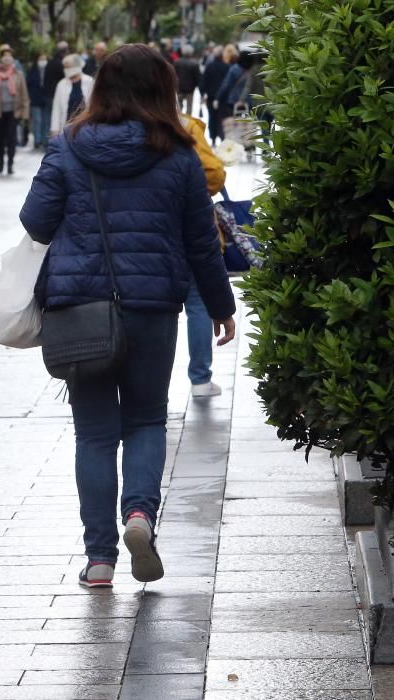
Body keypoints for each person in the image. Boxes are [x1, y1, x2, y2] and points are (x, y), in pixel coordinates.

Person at [19, 44, 236, 588]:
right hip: (151, 307)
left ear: (101, 89)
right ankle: (139, 514)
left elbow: (35, 220)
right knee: (144, 419)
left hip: (79, 310)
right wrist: (220, 304)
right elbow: (200, 243)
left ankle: (99, 558)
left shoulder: (68, 146)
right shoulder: (179, 153)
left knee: (93, 433)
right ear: (162, 90)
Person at [181, 113, 226, 397]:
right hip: (187, 225)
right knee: (197, 303)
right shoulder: (185, 126)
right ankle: (200, 378)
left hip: (139, 233)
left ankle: (148, 385)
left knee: (149, 309)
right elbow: (214, 173)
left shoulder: (105, 124)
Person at [0, 45, 30, 175]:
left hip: (14, 111)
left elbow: (24, 94)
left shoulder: (18, 74)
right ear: (1, 59)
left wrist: (25, 112)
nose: (7, 59)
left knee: (12, 138)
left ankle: (10, 163)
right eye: (5, 56)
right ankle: (0, 160)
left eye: (9, 56)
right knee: (0, 138)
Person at [49, 54, 93, 137]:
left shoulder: (90, 82)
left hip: (86, 128)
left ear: (76, 67)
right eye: (64, 67)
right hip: (66, 128)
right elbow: (56, 108)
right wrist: (54, 130)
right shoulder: (61, 84)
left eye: (68, 67)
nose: (65, 70)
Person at [199, 45, 234, 145]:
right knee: (222, 117)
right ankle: (222, 137)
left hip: (211, 97)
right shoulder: (226, 67)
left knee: (212, 117)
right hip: (223, 98)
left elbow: (203, 82)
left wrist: (202, 94)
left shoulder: (209, 67)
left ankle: (213, 138)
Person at [26, 52, 50, 149]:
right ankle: (37, 140)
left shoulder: (49, 70)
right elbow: (28, 84)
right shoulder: (32, 71)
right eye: (41, 59)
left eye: (44, 59)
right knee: (37, 120)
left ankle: (45, 140)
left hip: (46, 99)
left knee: (46, 120)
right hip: (35, 99)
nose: (42, 61)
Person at [42, 41, 68, 121]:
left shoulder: (50, 62)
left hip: (47, 94)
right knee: (56, 118)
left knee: (47, 119)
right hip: (55, 95)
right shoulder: (61, 64)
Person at [174, 44, 201, 116]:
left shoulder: (177, 62)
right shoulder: (195, 64)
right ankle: (187, 124)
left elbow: (174, 75)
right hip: (190, 90)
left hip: (179, 88)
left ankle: (179, 122)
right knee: (189, 109)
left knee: (179, 108)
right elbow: (198, 78)